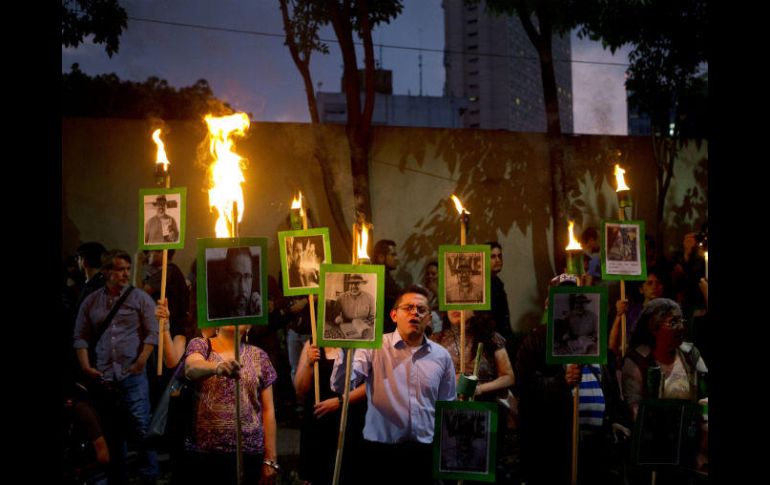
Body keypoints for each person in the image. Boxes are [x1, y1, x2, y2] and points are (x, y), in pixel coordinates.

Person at [330, 286, 456, 483]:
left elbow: (448, 408)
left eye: (421, 309)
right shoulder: (374, 347)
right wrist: (346, 350)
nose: (415, 313)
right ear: (394, 315)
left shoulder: (442, 356)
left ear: (429, 318)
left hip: (424, 453)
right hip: (381, 452)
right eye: (408, 308)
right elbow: (341, 386)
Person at [73, 249, 160, 483]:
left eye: (128, 269)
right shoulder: (92, 301)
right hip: (105, 376)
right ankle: (119, 476)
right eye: (120, 269)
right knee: (114, 431)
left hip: (132, 374)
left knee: (141, 426)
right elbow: (80, 335)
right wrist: (85, 366)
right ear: (106, 271)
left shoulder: (139, 298)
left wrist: (141, 361)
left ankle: (149, 474)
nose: (125, 274)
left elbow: (153, 333)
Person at [181, 324, 278, 484]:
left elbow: (268, 410)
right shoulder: (202, 345)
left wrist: (270, 459)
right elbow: (191, 367)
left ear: (249, 326)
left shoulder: (260, 356)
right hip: (206, 454)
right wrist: (217, 367)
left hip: (250, 453)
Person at [294, 341, 366, 484]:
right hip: (318, 425)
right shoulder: (313, 343)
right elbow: (300, 390)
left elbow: (372, 384)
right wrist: (308, 363)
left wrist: (340, 401)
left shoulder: (362, 342)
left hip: (350, 423)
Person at [209, 247, 262, 319]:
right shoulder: (213, 313)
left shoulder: (258, 307)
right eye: (236, 277)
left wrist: (258, 318)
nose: (242, 288)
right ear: (227, 279)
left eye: (247, 276)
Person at [484, 241, 515, 358]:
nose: (497, 260)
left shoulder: (497, 282)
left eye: (499, 256)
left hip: (503, 340)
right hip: (492, 343)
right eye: (492, 257)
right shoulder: (484, 285)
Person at [325, 274, 375, 340]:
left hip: (364, 329)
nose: (354, 286)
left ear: (362, 284)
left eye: (357, 283)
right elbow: (334, 314)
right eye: (351, 283)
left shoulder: (370, 298)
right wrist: (336, 318)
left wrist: (367, 323)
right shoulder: (341, 298)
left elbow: (373, 316)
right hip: (346, 328)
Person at [373, 239, 401, 333]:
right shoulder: (381, 278)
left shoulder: (387, 277)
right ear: (381, 257)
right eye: (393, 255)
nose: (396, 258)